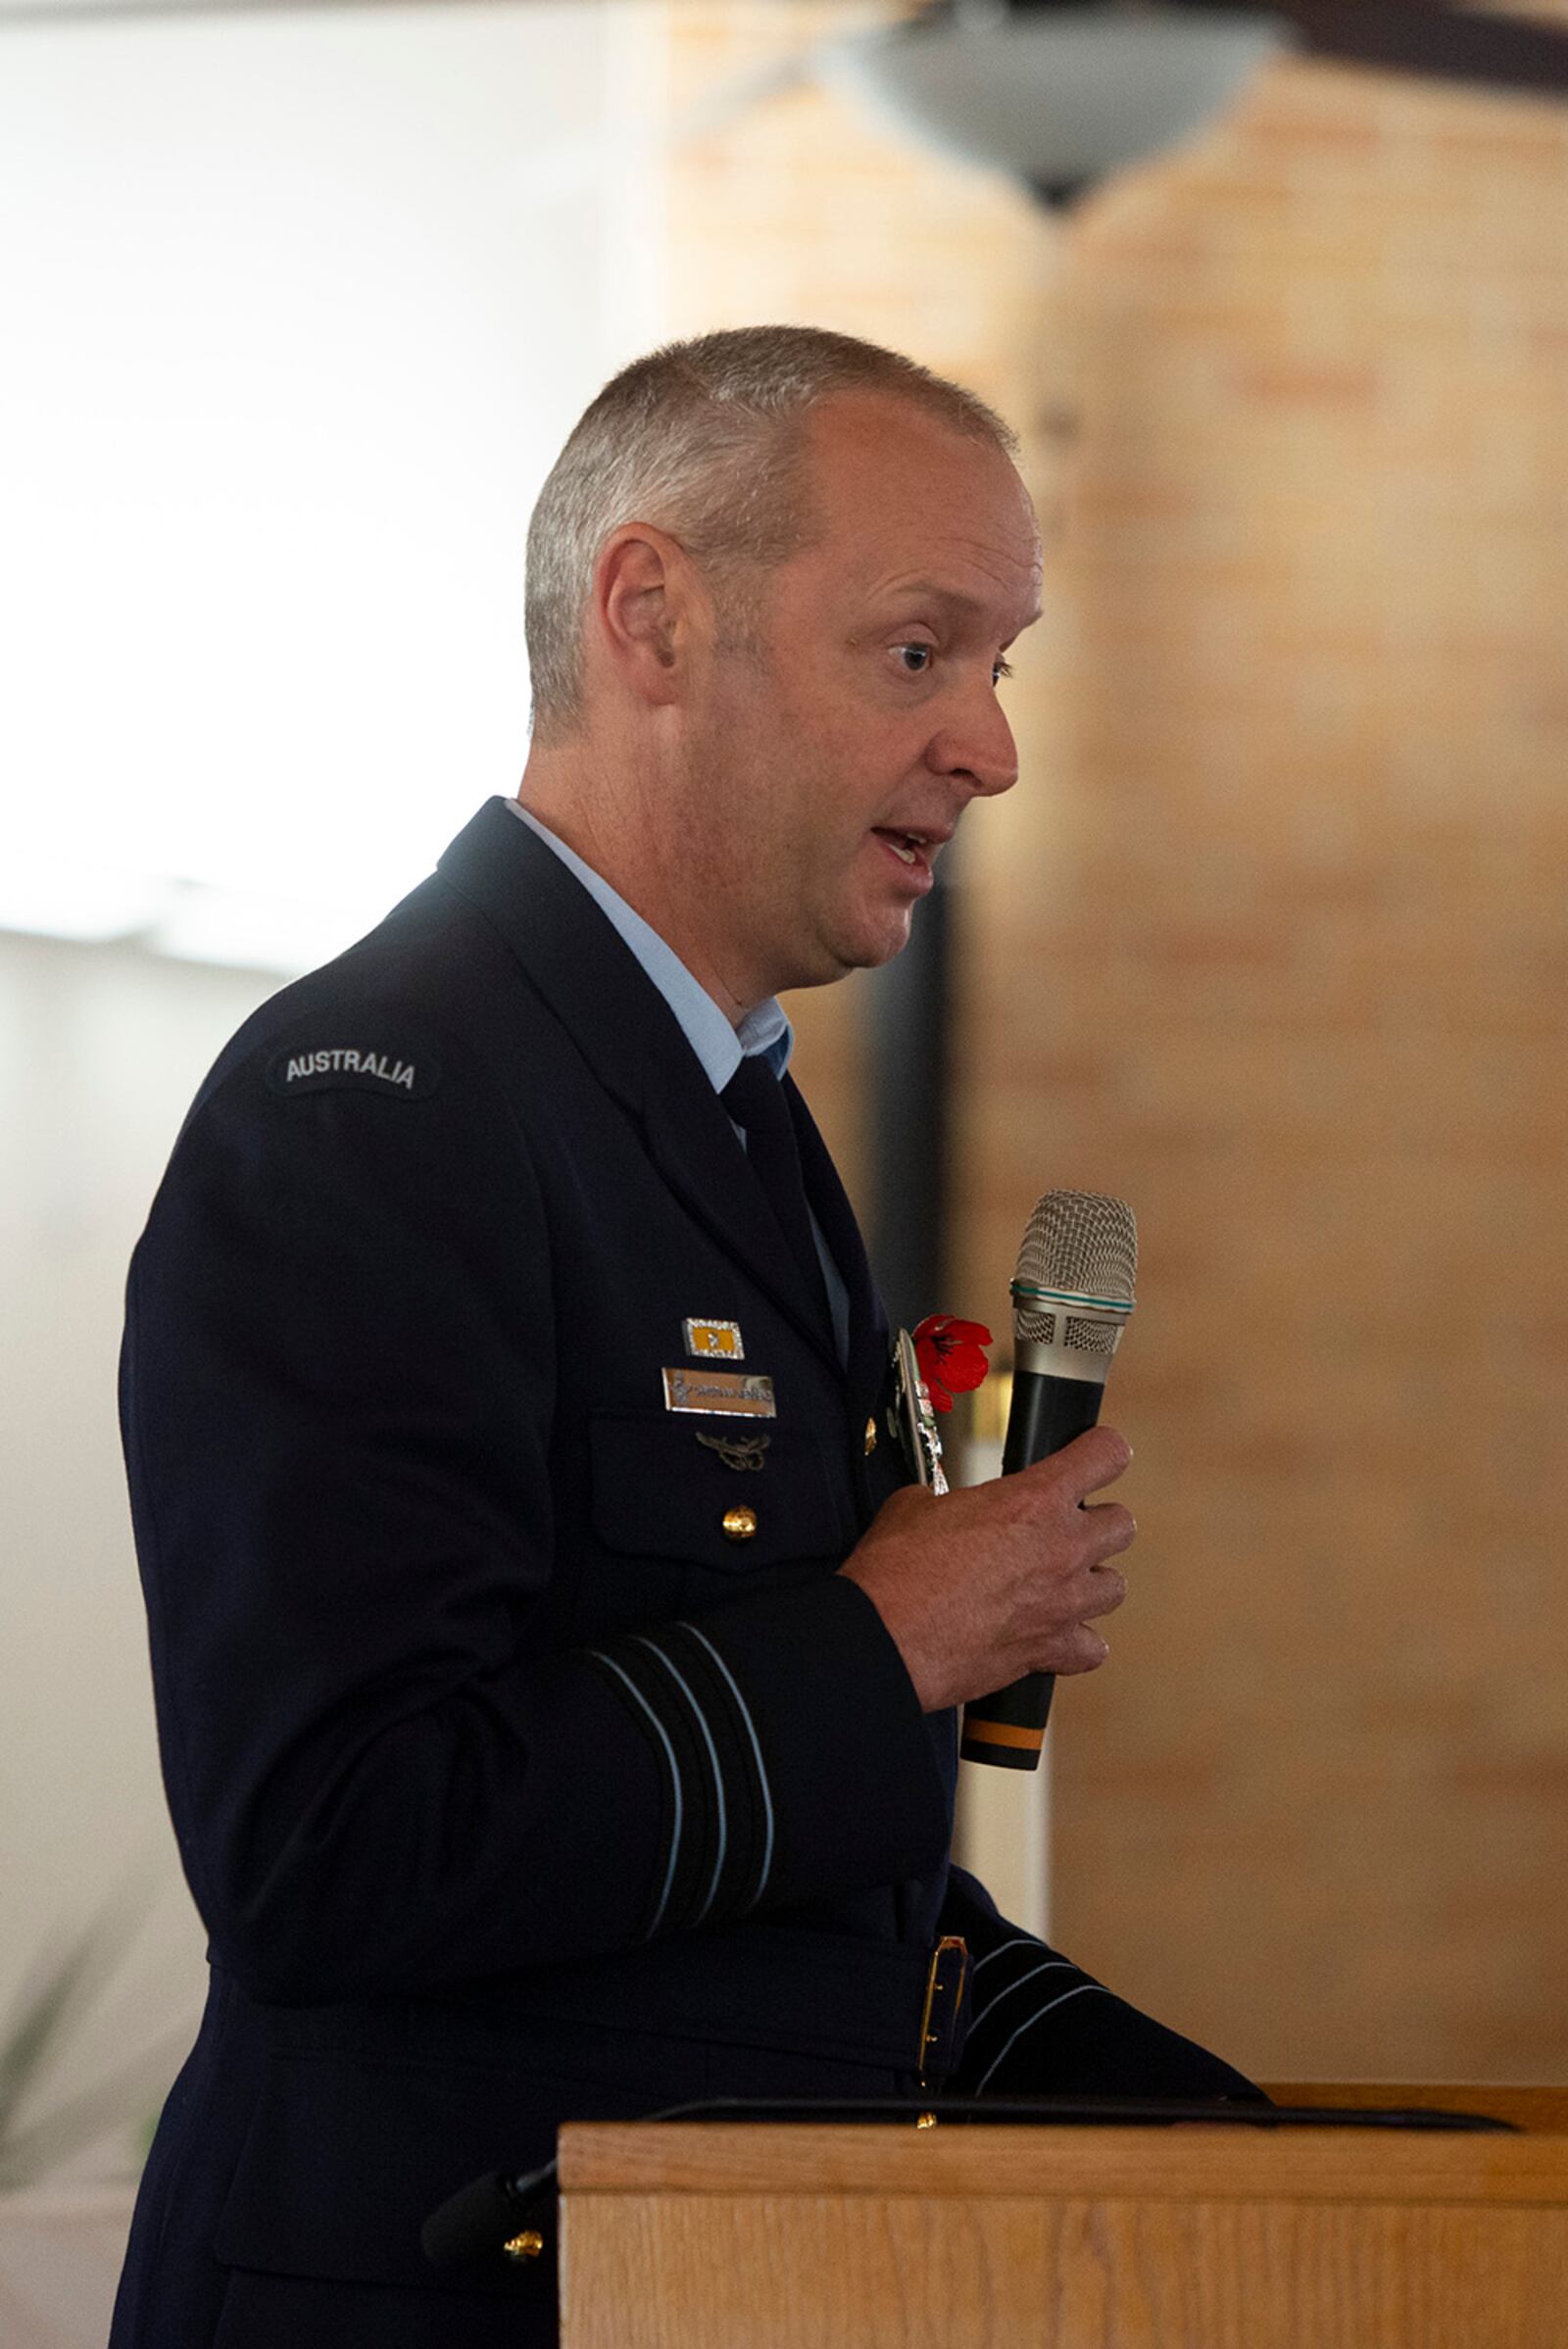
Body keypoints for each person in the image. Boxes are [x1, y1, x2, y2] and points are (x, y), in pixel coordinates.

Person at [111, 325, 1257, 2349]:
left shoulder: (715, 1112)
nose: (988, 744)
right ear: (649, 614)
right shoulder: (379, 1098)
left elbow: (773, 1912)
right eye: (917, 651)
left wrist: (1219, 2135)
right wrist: (888, 1637)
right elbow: (336, 1848)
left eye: (999, 664)